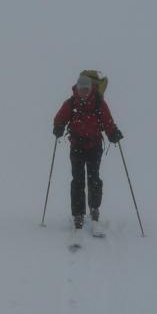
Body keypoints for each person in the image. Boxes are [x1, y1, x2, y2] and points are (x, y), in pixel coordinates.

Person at [53, 72, 123, 229]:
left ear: (91, 89)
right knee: (77, 181)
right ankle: (78, 214)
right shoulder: (71, 103)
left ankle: (94, 208)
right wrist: (58, 126)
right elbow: (60, 117)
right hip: (77, 146)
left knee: (94, 179)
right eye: (81, 89)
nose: (83, 92)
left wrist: (113, 133)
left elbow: (107, 121)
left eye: (86, 89)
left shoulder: (99, 103)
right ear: (76, 89)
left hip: (94, 146)